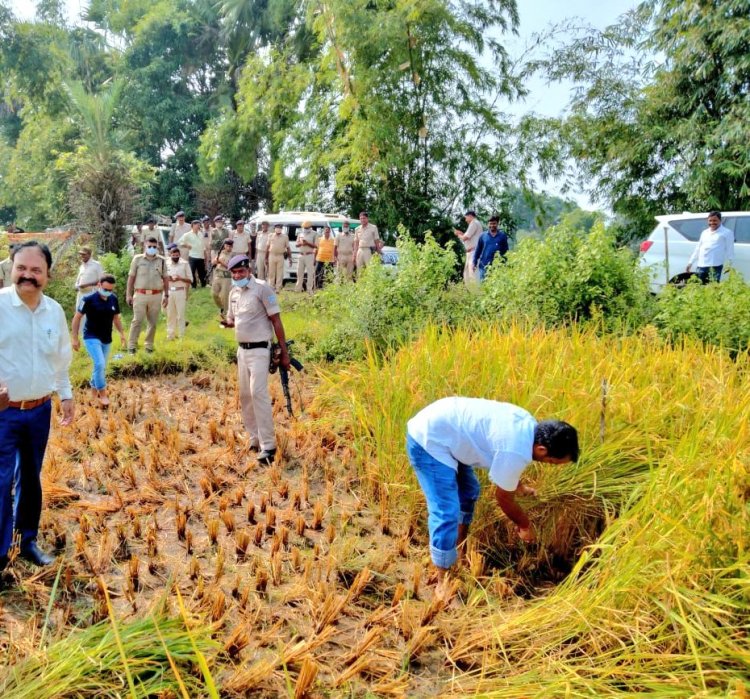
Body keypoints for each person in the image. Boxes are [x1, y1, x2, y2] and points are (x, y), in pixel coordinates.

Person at [406, 397, 579, 587]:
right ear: (541, 449)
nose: (550, 465)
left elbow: (503, 458)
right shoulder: (516, 450)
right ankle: (442, 578)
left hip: (448, 430)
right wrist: (524, 525)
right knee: (446, 511)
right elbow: (503, 498)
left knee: (469, 492)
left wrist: (517, 485)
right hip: (429, 440)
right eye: (552, 462)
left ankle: (459, 548)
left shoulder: (528, 426)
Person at [0, 241, 75, 570]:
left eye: (35, 270)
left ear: (47, 274)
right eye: (21, 269)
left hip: (39, 410)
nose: (27, 276)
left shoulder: (54, 311)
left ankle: (26, 540)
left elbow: (60, 359)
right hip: (3, 412)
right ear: (11, 269)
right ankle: (1, 554)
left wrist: (66, 393)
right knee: (1, 481)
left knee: (31, 477)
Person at [223, 255, 291, 465]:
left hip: (261, 351)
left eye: (241, 272)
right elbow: (233, 319)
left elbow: (276, 320)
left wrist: (284, 350)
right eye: (234, 273)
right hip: (242, 351)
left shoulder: (262, 289)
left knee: (258, 394)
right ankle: (254, 438)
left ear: (248, 270)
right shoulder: (233, 292)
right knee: (245, 396)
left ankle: (269, 446)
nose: (237, 276)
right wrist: (228, 324)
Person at [71, 275, 126, 407]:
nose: (107, 292)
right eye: (105, 288)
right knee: (100, 364)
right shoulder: (88, 299)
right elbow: (77, 318)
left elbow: (116, 318)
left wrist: (122, 333)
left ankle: (94, 392)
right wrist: (74, 338)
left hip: (107, 338)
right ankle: (103, 394)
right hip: (91, 336)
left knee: (99, 366)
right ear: (99, 285)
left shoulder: (113, 299)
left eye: (110, 290)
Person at [126, 236, 169, 353]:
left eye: (154, 247)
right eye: (149, 246)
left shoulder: (162, 260)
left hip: (156, 295)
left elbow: (165, 279)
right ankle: (131, 346)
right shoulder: (137, 259)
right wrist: (128, 295)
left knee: (153, 322)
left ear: (157, 247)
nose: (152, 248)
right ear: (145, 245)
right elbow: (131, 278)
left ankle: (149, 346)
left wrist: (166, 295)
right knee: (137, 321)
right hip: (140, 295)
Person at [685, 210, 735, 284]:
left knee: (713, 287)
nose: (712, 223)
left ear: (720, 220)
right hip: (701, 265)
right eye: (710, 220)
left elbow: (730, 250)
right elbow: (698, 248)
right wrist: (690, 262)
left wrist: (730, 264)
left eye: (715, 220)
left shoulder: (727, 232)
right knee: (699, 286)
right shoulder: (704, 232)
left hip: (715, 265)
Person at [165, 243, 192, 340]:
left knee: (181, 315)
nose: (175, 257)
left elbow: (190, 280)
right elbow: (162, 278)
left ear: (179, 255)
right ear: (170, 255)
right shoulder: (166, 263)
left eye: (177, 255)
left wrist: (180, 279)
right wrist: (169, 279)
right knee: (170, 315)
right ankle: (170, 335)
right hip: (169, 292)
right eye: (173, 255)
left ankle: (181, 336)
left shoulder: (184, 264)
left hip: (180, 291)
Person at [472, 216, 509, 281]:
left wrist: (505, 265)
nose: (492, 225)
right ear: (488, 224)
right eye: (490, 223)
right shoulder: (483, 236)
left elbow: (506, 252)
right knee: (484, 288)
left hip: (498, 267)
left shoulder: (502, 236)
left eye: (494, 223)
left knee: (497, 287)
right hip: (484, 267)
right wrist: (474, 263)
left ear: (497, 224)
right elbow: (478, 250)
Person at [454, 210, 483, 284]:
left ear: (470, 216)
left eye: (466, 217)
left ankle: (476, 292)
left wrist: (458, 234)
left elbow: (465, 238)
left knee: (472, 274)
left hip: (473, 252)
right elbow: (468, 237)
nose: (465, 220)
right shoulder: (475, 223)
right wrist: (461, 234)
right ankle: (473, 292)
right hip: (472, 252)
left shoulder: (474, 223)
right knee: (469, 274)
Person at [178, 219, 209, 288]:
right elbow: (180, 242)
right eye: (197, 225)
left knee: (202, 272)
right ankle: (193, 285)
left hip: (201, 256)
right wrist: (186, 245)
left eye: (199, 225)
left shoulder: (200, 234)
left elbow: (202, 245)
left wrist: (205, 255)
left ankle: (203, 285)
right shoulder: (187, 234)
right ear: (193, 225)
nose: (198, 226)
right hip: (193, 256)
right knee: (192, 272)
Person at [212, 238, 234, 321]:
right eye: (227, 246)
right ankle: (221, 307)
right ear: (224, 246)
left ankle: (225, 314)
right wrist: (216, 261)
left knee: (225, 296)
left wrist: (221, 262)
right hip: (218, 275)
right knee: (214, 294)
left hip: (226, 277)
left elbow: (230, 266)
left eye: (230, 246)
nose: (228, 248)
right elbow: (213, 262)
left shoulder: (232, 255)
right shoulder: (220, 253)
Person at [295, 221, 317, 293]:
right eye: (304, 227)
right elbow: (296, 244)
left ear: (310, 227)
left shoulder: (314, 234)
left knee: (310, 273)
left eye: (307, 228)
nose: (305, 229)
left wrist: (307, 243)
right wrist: (301, 243)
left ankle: (309, 289)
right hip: (301, 255)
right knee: (299, 273)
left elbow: (316, 246)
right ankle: (298, 289)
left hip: (309, 255)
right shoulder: (300, 233)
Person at [267, 224, 291, 292]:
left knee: (279, 273)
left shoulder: (285, 237)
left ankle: (278, 288)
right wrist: (266, 257)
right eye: (277, 227)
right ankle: (271, 287)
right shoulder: (270, 235)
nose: (278, 229)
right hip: (271, 255)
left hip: (280, 256)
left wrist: (290, 258)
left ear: (282, 229)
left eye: (280, 228)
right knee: (271, 272)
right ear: (275, 228)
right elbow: (268, 246)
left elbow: (288, 248)